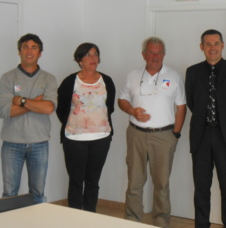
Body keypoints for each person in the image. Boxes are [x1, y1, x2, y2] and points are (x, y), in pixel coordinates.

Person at [118, 37, 186, 227]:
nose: (155, 56)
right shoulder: (132, 75)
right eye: (151, 52)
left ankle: (161, 222)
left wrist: (176, 134)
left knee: (162, 184)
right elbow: (122, 99)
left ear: (164, 54)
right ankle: (132, 222)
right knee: (134, 183)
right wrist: (132, 111)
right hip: (136, 135)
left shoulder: (174, 76)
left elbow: (181, 106)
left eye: (158, 52)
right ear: (143, 54)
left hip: (164, 136)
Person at [185, 29, 226, 228]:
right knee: (201, 188)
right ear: (201, 47)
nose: (212, 48)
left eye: (216, 44)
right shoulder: (193, 72)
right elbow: (191, 102)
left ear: (222, 45)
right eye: (208, 44)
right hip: (201, 136)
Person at [56, 43, 115, 212]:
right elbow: (62, 111)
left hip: (101, 138)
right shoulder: (70, 81)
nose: (93, 58)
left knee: (93, 180)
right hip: (75, 139)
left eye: (95, 54)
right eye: (88, 55)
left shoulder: (107, 81)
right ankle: (75, 219)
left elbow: (109, 108)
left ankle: (90, 216)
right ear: (79, 60)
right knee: (76, 180)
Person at [0, 33, 57, 203]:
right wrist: (35, 103)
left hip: (39, 143)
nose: (29, 51)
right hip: (12, 143)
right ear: (19, 51)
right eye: (25, 47)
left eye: (34, 47)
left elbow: (48, 108)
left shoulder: (49, 79)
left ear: (40, 53)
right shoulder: (7, 78)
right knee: (10, 193)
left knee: (38, 193)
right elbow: (5, 111)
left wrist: (22, 101)